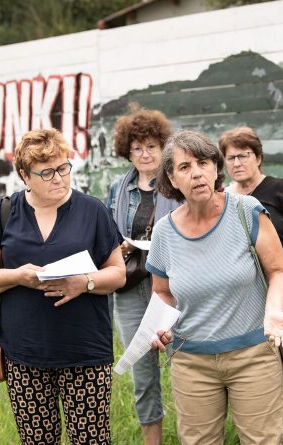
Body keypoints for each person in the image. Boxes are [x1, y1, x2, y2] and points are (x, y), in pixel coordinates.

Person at [0, 128, 126, 445]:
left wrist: (84, 282)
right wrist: (17, 276)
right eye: (47, 173)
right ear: (25, 176)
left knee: (91, 440)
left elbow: (118, 274)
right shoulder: (4, 212)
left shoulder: (92, 210)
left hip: (85, 353)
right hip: (24, 354)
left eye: (63, 168)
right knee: (37, 440)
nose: (59, 178)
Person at [148, 130, 283, 445]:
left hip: (254, 354)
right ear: (172, 179)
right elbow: (162, 291)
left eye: (203, 162)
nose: (196, 173)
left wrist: (273, 311)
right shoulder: (163, 233)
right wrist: (161, 324)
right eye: (184, 167)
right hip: (191, 361)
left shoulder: (246, 210)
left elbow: (280, 271)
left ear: (216, 167)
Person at [219, 126, 283, 438]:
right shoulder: (224, 197)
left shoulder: (278, 188)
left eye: (243, 155)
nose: (237, 163)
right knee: (251, 366)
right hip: (244, 297)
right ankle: (263, 432)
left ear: (258, 157)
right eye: (230, 158)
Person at [105, 105, 180, 445]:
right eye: (137, 148)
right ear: (127, 151)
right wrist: (119, 247)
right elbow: (108, 234)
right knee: (142, 372)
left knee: (184, 362)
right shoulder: (118, 189)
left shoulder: (176, 183)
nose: (145, 154)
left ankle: (197, 433)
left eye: (151, 146)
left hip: (173, 285)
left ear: (163, 147)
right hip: (131, 286)